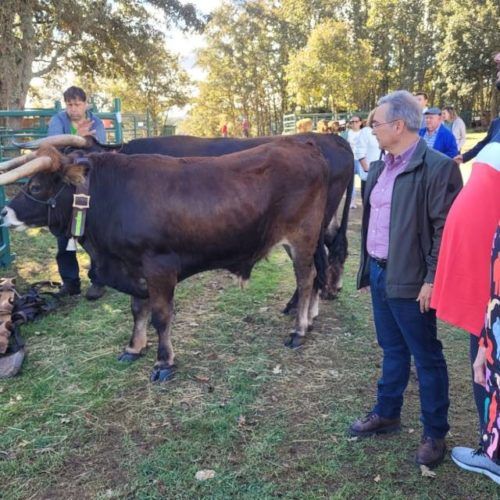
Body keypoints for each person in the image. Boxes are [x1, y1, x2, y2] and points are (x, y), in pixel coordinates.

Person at [350, 90, 463, 469]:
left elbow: (444, 230)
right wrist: (369, 268)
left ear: (399, 126)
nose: (373, 129)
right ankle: (388, 412)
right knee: (392, 348)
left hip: (413, 282)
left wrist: (432, 279)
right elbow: (374, 222)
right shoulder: (380, 168)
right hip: (382, 273)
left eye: (377, 124)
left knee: (426, 356)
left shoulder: (438, 167)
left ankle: (435, 432)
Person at [431, 51, 500, 483]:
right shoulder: (497, 123)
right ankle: (491, 441)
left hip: (495, 278)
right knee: (483, 356)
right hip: (484, 275)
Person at [47, 86, 107, 300]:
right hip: (64, 187)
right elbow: (55, 152)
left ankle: (99, 280)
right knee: (64, 234)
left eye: (77, 104)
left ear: (85, 103)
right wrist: (76, 136)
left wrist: (83, 141)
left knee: (94, 233)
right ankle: (70, 282)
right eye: (70, 104)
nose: (73, 109)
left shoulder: (96, 122)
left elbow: (98, 151)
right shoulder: (58, 121)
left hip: (90, 185)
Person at [357, 109, 381, 204]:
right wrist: (367, 170)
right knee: (369, 206)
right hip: (370, 175)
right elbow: (359, 152)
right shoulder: (366, 131)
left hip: (384, 174)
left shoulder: (386, 131)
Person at [347, 115, 363, 209]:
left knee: (364, 181)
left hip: (362, 160)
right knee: (351, 183)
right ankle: (352, 202)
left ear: (360, 122)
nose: (354, 124)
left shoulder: (364, 133)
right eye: (352, 122)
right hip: (351, 159)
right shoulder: (348, 133)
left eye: (356, 121)